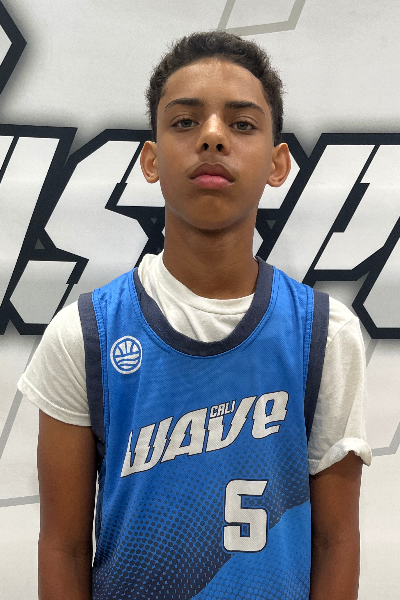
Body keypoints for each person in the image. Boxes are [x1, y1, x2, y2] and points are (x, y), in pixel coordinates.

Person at [18, 31, 371, 600]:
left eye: (242, 124)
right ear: (151, 160)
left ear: (278, 163)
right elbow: (62, 547)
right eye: (185, 122)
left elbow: (336, 544)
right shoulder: (83, 335)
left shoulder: (326, 335)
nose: (212, 136)